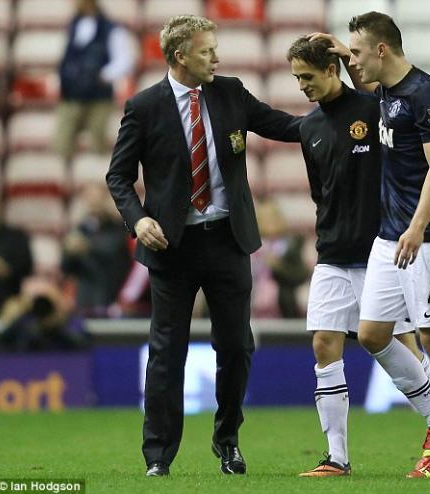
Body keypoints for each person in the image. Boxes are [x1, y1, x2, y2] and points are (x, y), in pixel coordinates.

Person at [106, 15, 302, 477]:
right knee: (167, 352)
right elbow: (117, 176)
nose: (217, 57)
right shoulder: (145, 106)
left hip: (228, 242)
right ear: (179, 57)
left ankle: (227, 441)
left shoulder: (230, 92)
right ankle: (158, 455)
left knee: (236, 346)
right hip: (172, 247)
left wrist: (339, 111)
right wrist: (139, 219)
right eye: (207, 50)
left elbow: (284, 126)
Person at [288, 36, 430, 477]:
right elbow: (323, 194)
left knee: (429, 339)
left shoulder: (380, 105)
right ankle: (339, 457)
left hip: (408, 241)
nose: (300, 85)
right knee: (358, 337)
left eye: (307, 76)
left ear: (334, 69)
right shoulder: (310, 128)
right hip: (356, 248)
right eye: (296, 77)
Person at [55, 0, 135, 161]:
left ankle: (97, 181)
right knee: (62, 143)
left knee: (97, 145)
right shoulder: (73, 25)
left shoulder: (112, 29)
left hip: (99, 97)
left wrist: (103, 75)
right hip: (71, 95)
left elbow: (125, 61)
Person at [61, 183, 131, 316]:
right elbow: (66, 268)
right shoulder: (79, 229)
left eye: (97, 199)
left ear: (106, 200)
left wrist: (85, 246)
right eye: (90, 199)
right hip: (84, 298)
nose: (94, 203)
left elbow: (112, 251)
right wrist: (69, 252)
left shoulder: (117, 226)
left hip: (111, 294)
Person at [251, 198, 310, 318]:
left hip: (283, 307)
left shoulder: (291, 244)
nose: (270, 220)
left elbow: (301, 275)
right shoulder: (250, 246)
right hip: (253, 305)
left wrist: (278, 267)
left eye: (274, 215)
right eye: (265, 217)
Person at [0, 278, 90, 352]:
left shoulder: (70, 320)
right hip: (28, 369)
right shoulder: (26, 320)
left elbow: (82, 344)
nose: (43, 307)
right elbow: (4, 341)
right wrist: (21, 316)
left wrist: (58, 327)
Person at [0, 190, 33, 318]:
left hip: (9, 300)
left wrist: (6, 269)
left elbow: (27, 267)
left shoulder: (16, 236)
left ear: (0, 208)